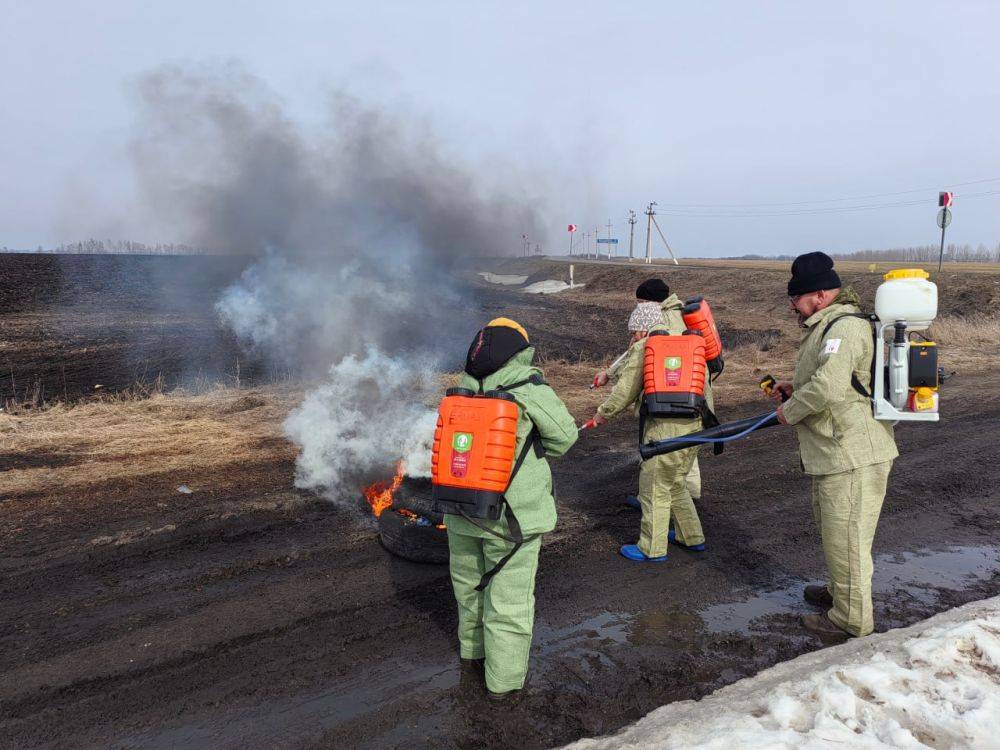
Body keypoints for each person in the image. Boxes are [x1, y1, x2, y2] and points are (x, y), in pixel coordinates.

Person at [445, 317, 578, 699]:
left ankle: (472, 658)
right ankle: (502, 687)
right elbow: (565, 438)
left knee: (469, 591)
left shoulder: (460, 390)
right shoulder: (528, 387)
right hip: (512, 519)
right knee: (509, 602)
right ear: (519, 351)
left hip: (460, 510)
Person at [769, 252, 898, 638]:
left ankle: (852, 619)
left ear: (821, 295)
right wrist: (795, 388)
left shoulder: (843, 328)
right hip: (835, 451)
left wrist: (790, 410)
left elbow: (829, 387)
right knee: (838, 532)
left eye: (797, 297)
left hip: (852, 453)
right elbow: (828, 378)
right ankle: (842, 594)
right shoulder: (829, 325)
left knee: (848, 537)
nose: (793, 304)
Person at [588, 295, 710, 560]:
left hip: (664, 429)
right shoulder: (690, 346)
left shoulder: (648, 347)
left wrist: (602, 414)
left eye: (633, 331)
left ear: (643, 328)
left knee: (653, 486)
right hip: (696, 425)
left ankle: (651, 548)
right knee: (675, 483)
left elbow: (625, 391)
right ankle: (691, 536)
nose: (632, 337)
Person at [592, 278, 703, 507]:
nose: (638, 306)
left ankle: (668, 504)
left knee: (665, 454)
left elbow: (635, 371)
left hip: (670, 403)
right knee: (683, 451)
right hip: (691, 398)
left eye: (641, 301)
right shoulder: (673, 316)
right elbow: (637, 354)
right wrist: (609, 373)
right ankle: (679, 499)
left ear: (652, 302)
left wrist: (605, 412)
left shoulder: (662, 325)